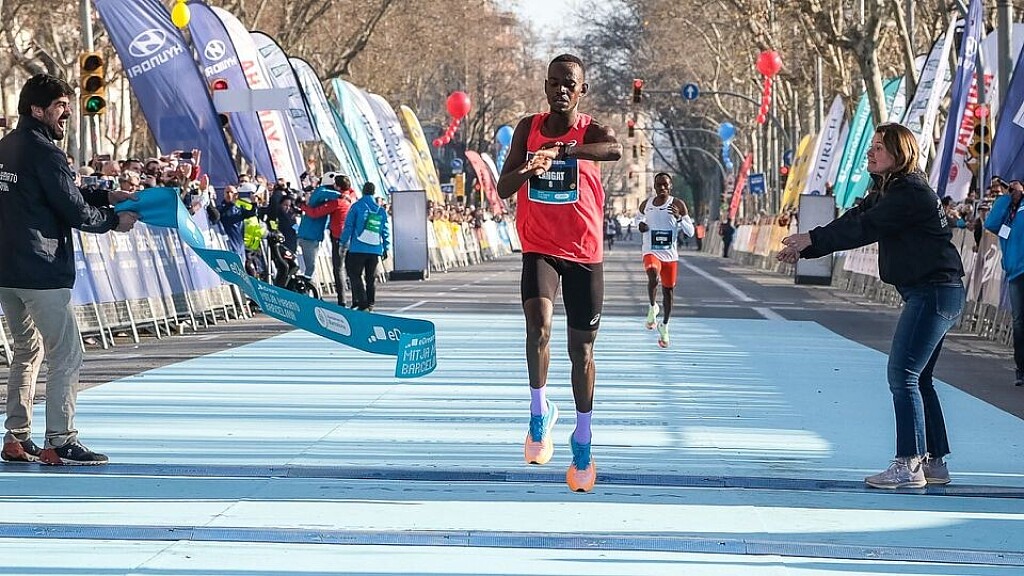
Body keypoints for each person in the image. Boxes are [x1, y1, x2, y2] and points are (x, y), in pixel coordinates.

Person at [777, 123, 965, 489]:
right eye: (872, 145)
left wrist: (811, 239)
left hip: (934, 292)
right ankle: (935, 463)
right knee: (919, 378)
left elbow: (866, 227)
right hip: (935, 291)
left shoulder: (909, 193)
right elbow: (855, 218)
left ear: (899, 153)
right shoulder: (889, 188)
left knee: (903, 375)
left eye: (878, 147)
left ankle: (908, 464)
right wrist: (807, 245)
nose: (870, 152)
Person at [495, 53, 622, 493]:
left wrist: (566, 150)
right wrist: (529, 167)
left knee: (581, 351)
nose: (561, 89)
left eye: (570, 83)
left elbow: (613, 150)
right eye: (554, 82)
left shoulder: (590, 130)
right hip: (540, 248)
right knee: (539, 327)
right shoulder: (527, 129)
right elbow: (503, 187)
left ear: (582, 90)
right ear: (545, 86)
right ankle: (539, 413)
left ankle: (582, 439)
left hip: (584, 252)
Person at [0, 74, 138, 465]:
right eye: (61, 106)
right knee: (67, 354)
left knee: (27, 350)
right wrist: (113, 219)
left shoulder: (6, 147)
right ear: (37, 109)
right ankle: (60, 440)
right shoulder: (46, 152)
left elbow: (55, 191)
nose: (68, 113)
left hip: (7, 271)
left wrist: (106, 193)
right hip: (41, 270)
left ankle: (16, 437)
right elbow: (73, 209)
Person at [636, 173, 693, 348]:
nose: (662, 188)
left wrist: (679, 218)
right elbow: (638, 219)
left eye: (665, 185)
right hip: (651, 250)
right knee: (653, 275)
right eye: (658, 185)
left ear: (670, 186)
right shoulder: (646, 204)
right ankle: (652, 306)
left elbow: (690, 232)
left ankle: (665, 325)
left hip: (670, 255)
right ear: (654, 186)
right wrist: (640, 225)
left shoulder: (678, 204)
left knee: (668, 293)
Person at [984, 179, 1024, 387]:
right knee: (1019, 322)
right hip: (1015, 273)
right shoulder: (1008, 212)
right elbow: (990, 224)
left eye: (1016, 188)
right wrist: (1006, 198)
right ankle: (1021, 368)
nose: (1013, 191)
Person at [302, 174, 358, 306]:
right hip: (352, 237)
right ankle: (357, 299)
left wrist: (302, 206)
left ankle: (342, 300)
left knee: (339, 269)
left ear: (337, 187)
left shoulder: (337, 202)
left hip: (338, 237)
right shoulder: (353, 197)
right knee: (353, 270)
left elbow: (315, 213)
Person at [340, 182, 389, 311]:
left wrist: (342, 242)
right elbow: (385, 231)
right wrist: (385, 247)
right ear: (374, 192)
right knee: (371, 277)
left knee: (355, 275)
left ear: (363, 191)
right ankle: (371, 303)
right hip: (374, 249)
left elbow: (349, 226)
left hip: (357, 248)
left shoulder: (356, 207)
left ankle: (362, 302)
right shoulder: (380, 210)